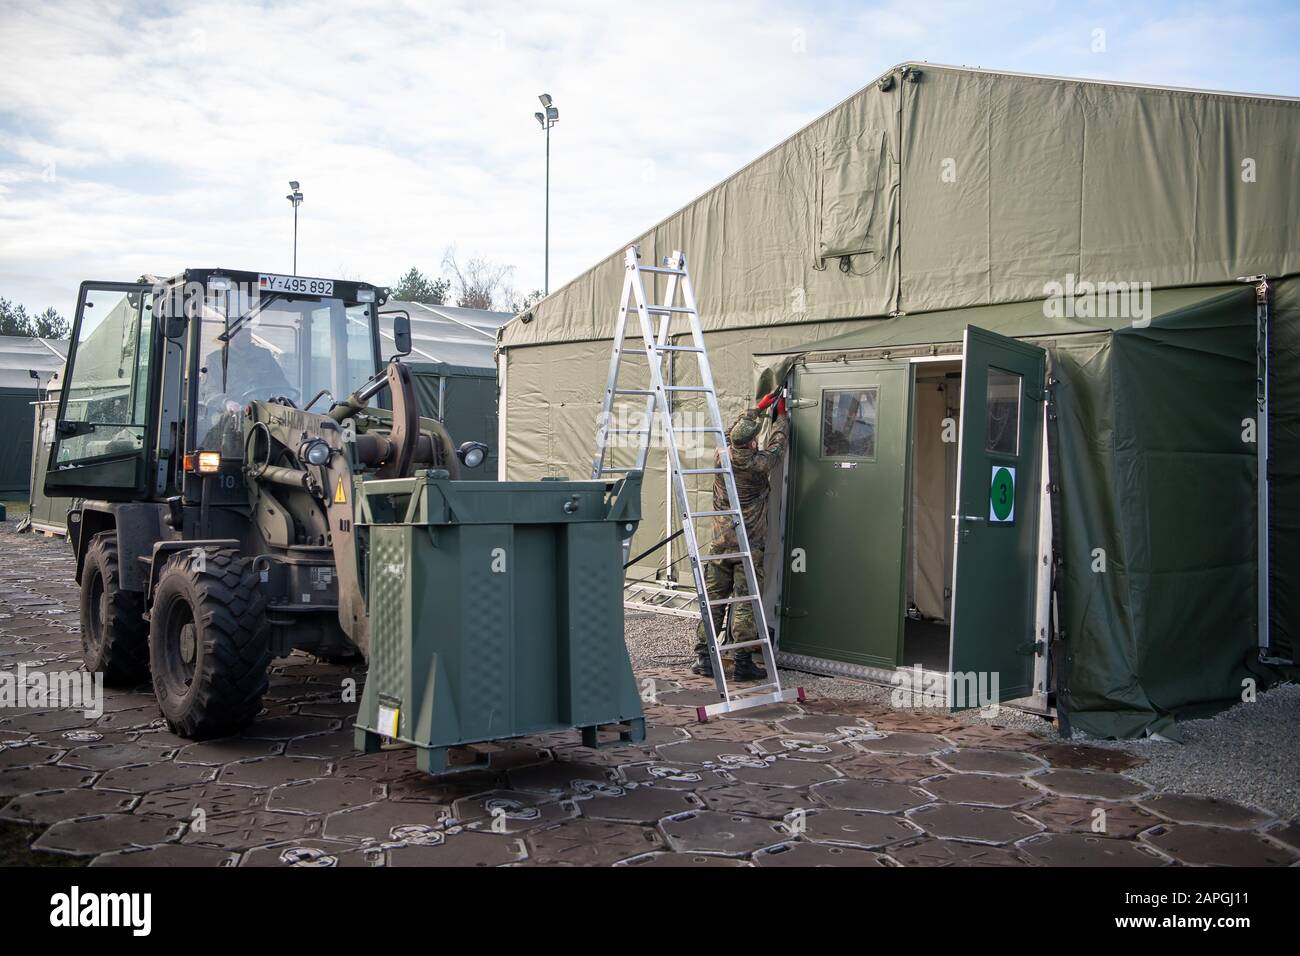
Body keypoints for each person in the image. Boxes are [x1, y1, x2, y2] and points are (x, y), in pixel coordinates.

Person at [692, 398, 788, 681]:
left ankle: (705, 657)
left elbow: (734, 432)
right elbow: (779, 443)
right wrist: (779, 416)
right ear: (752, 444)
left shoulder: (721, 455)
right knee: (745, 602)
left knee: (714, 599)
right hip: (748, 545)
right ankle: (743, 662)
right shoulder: (759, 464)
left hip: (720, 543)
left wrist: (755, 410)